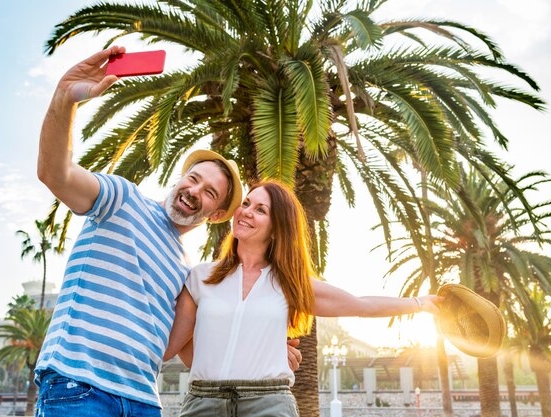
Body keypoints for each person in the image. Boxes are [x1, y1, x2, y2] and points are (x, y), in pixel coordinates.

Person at [33, 47, 301, 417]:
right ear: (179, 178)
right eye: (193, 179)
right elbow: (54, 173)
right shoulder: (122, 200)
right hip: (81, 387)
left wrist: (265, 347)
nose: (194, 191)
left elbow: (194, 344)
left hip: (144, 400)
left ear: (217, 213)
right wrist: (65, 99)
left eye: (209, 193)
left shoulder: (187, 273)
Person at [164, 180, 442, 417]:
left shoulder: (290, 284)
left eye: (260, 210)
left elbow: (361, 305)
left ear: (276, 228)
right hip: (203, 402)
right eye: (246, 203)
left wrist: (420, 304)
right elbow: (173, 346)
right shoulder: (201, 277)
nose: (246, 212)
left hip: (268, 404)